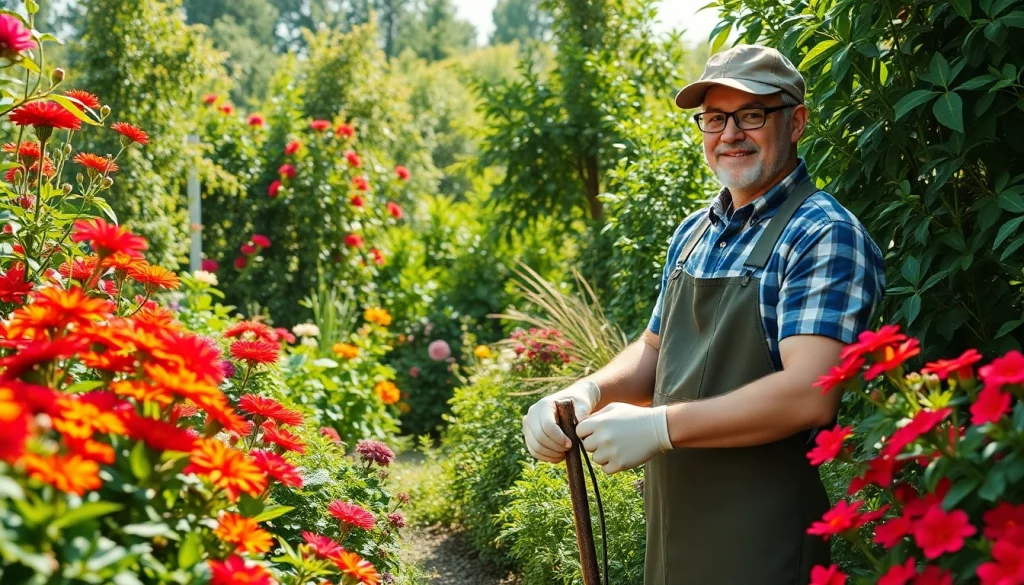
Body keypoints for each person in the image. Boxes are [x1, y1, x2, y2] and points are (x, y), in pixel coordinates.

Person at [521, 44, 886, 585]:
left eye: (751, 115)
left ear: (797, 122)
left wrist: (660, 426)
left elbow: (810, 392)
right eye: (714, 118)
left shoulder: (822, 234)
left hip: (766, 547)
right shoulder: (695, 232)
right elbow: (653, 351)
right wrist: (585, 393)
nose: (730, 134)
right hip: (674, 542)